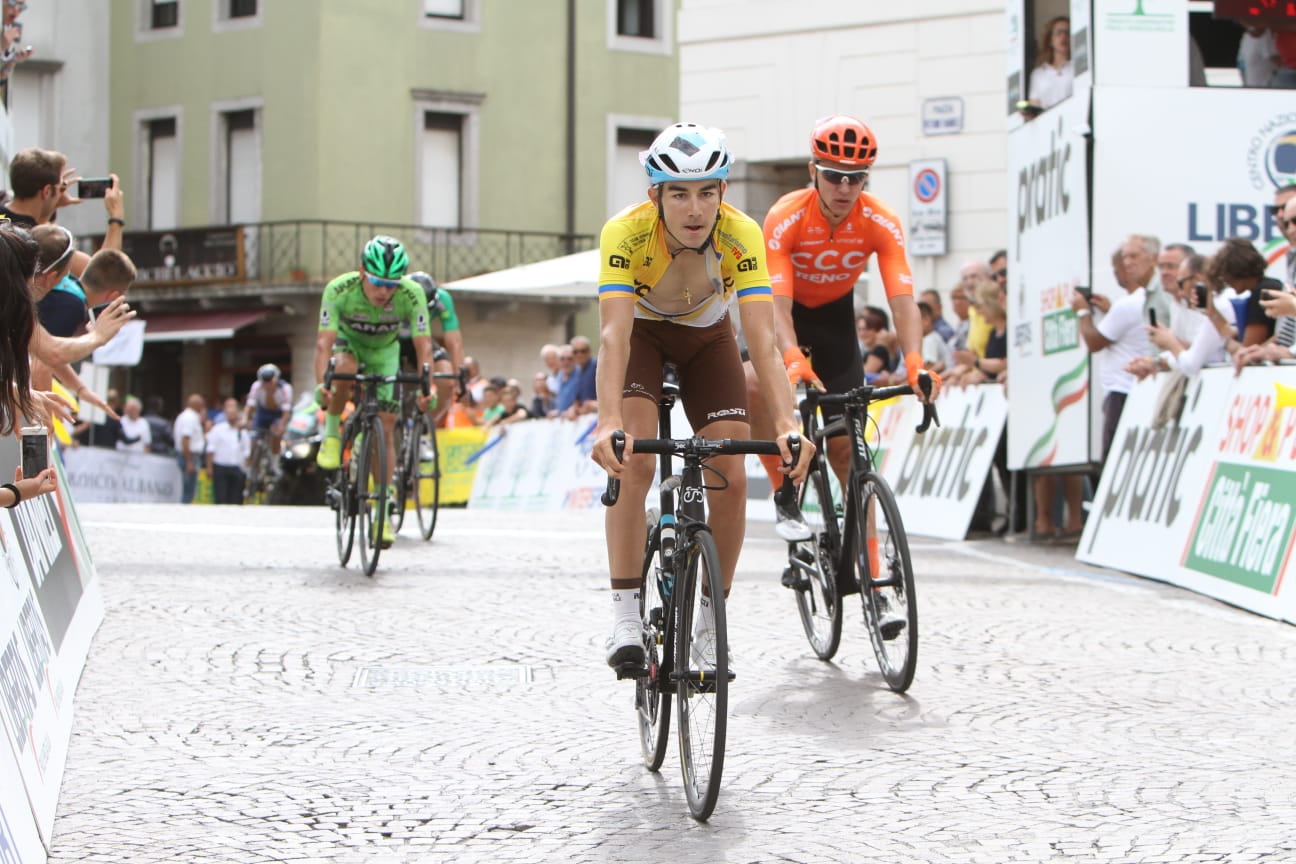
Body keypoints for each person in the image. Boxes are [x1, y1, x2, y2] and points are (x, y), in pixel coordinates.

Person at [591, 122, 813, 670]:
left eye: (708, 193)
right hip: (642, 334)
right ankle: (624, 614)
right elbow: (614, 335)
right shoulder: (624, 232)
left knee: (731, 475)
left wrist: (786, 421)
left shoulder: (742, 234)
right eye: (680, 194)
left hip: (708, 338)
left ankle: (712, 622)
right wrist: (607, 420)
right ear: (656, 196)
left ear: (723, 193)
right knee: (633, 462)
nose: (695, 209)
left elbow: (760, 339)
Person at [751, 115, 936, 530]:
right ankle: (784, 491)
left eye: (857, 178)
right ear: (813, 170)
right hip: (786, 316)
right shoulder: (786, 216)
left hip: (836, 323)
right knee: (753, 386)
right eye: (834, 176)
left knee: (847, 452)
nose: (845, 188)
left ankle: (870, 568)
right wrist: (792, 354)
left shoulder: (880, 220)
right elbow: (777, 305)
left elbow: (903, 303)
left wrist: (915, 362)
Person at [313, 235, 435, 548]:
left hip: (385, 353)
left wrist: (427, 386)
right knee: (344, 370)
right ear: (362, 273)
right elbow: (323, 343)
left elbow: (423, 345)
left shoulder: (412, 294)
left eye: (392, 284)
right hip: (348, 344)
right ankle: (331, 434)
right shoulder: (339, 290)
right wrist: (321, 387)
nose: (384, 292)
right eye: (378, 282)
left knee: (386, 425)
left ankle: (382, 514)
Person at [1071, 235, 1158, 463]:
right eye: (1125, 258)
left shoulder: (1128, 304)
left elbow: (1094, 342)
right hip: (1136, 387)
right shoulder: (1135, 302)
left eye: (1132, 257)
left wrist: (1082, 312)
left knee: (1114, 461)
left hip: (1123, 389)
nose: (1126, 265)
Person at [407, 271, 467, 424]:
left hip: (423, 340)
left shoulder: (443, 299)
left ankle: (426, 425)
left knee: (447, 380)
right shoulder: (395, 295)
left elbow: (454, 341)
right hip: (393, 341)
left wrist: (460, 376)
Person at [244, 363, 292, 461]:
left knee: (276, 434)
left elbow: (286, 411)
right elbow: (250, 404)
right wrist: (245, 418)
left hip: (278, 414)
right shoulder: (257, 386)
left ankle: (274, 462)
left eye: (270, 381)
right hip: (262, 413)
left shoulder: (285, 388)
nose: (268, 384)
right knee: (253, 437)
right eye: (265, 382)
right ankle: (251, 463)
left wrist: (282, 425)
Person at [206, 397, 249, 505]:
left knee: (236, 498)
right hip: (221, 467)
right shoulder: (218, 429)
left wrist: (245, 469)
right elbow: (211, 449)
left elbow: (247, 452)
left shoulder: (242, 432)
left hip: (237, 468)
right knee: (221, 497)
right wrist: (209, 467)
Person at [1027, 15, 1073, 111]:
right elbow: (1035, 107)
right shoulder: (1038, 74)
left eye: (1067, 33)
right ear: (1050, 40)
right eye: (1058, 33)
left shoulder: (1077, 67)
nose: (1063, 36)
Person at [173, 393, 208, 504]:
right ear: (196, 405)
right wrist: (189, 461)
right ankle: (185, 511)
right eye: (202, 404)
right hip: (189, 456)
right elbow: (185, 439)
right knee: (189, 488)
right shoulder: (189, 418)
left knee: (189, 488)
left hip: (188, 455)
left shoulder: (189, 416)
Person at [563, 335, 598, 418]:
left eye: (583, 351)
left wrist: (593, 404)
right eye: (575, 352)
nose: (579, 354)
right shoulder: (577, 371)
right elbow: (577, 399)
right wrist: (572, 409)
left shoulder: (597, 366)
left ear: (589, 351)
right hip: (586, 418)